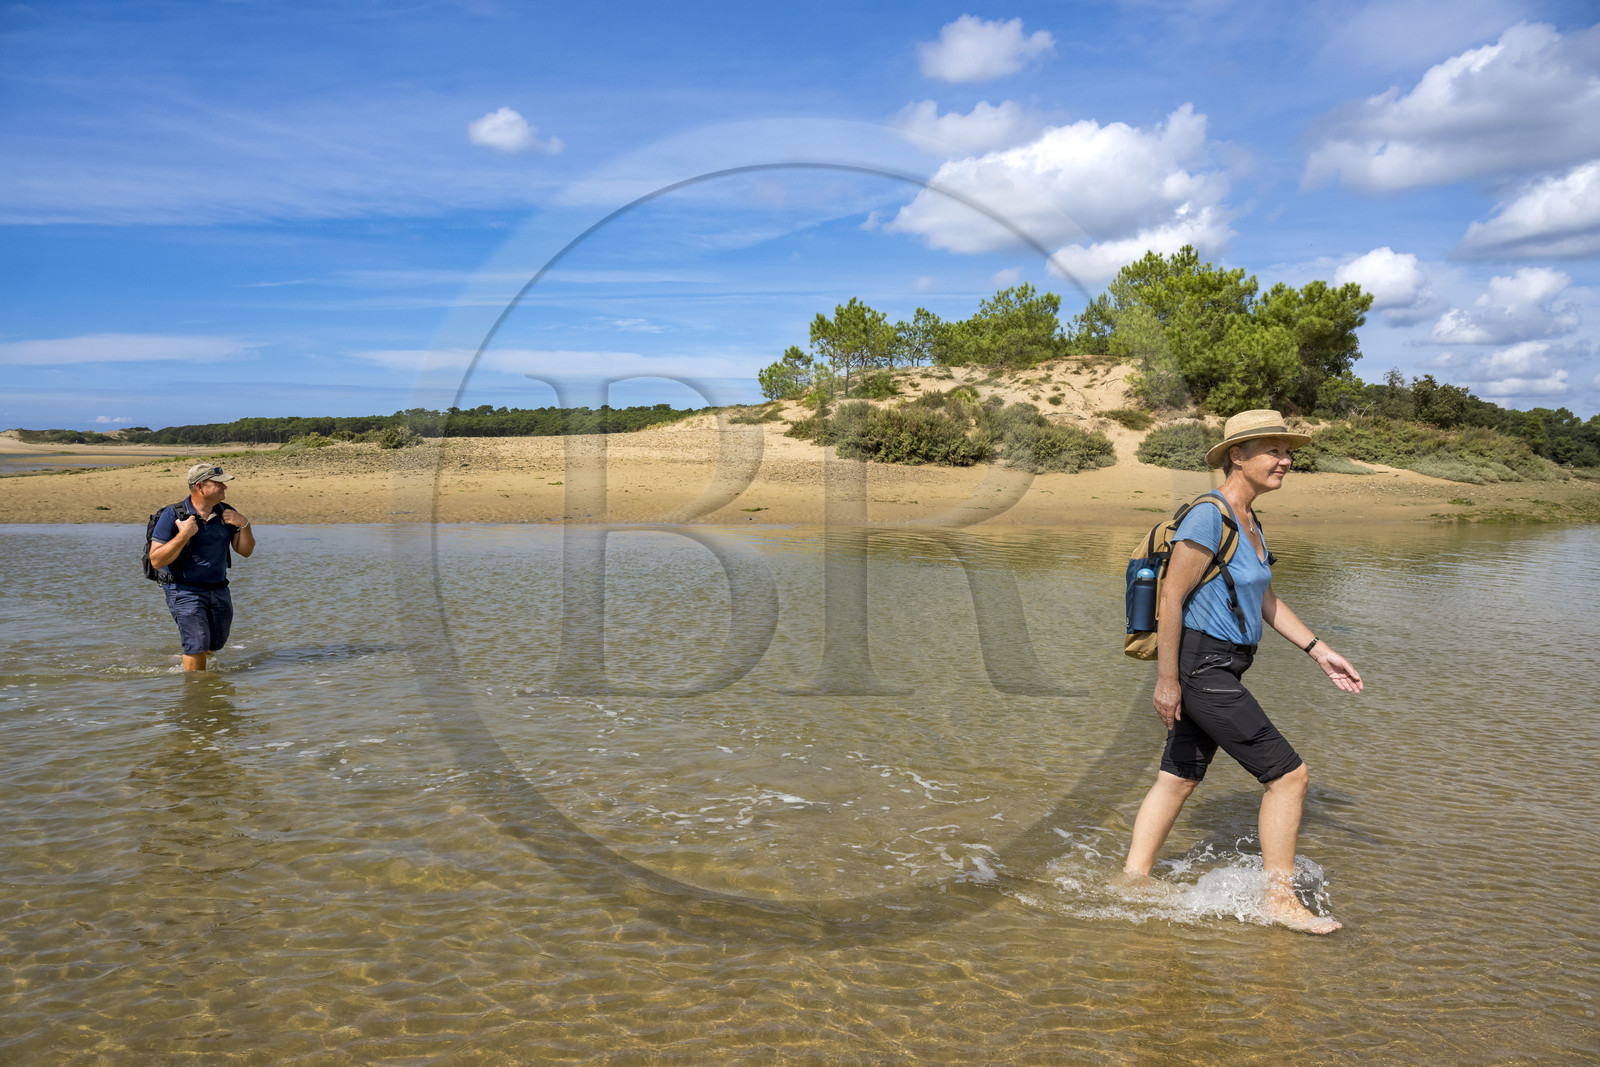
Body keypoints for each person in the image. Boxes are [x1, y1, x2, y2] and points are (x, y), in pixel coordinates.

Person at [1121, 410, 1363, 935]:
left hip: (1222, 664)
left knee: (1179, 777)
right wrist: (1168, 681)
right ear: (1238, 455)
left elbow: (1265, 598)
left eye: (1287, 451)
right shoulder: (1210, 515)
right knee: (1288, 776)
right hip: (1201, 666)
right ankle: (1279, 899)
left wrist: (1320, 650)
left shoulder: (1248, 518)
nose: (1286, 460)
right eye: (1273, 450)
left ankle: (1132, 881)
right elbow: (1172, 598)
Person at [149, 463, 256, 672]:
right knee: (197, 646)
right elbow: (156, 560)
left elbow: (245, 551)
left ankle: (194, 669)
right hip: (183, 589)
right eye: (219, 484)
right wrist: (184, 534)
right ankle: (196, 695)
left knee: (214, 644)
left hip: (219, 589)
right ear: (200, 486)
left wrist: (245, 524)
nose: (225, 488)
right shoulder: (173, 515)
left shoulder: (227, 512)